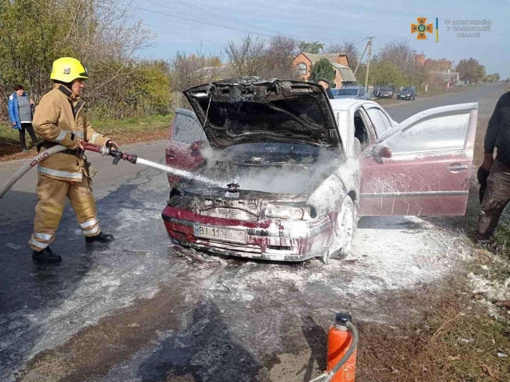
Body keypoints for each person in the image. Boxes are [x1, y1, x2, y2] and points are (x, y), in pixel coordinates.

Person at [30, 57, 118, 263]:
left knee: (85, 200)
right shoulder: (52, 99)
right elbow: (41, 125)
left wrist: (106, 141)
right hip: (55, 167)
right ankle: (40, 248)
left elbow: (86, 132)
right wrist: (70, 140)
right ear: (68, 79)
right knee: (50, 208)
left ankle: (92, 234)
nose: (83, 84)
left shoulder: (75, 104)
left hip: (75, 166)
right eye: (80, 80)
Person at [476, 90, 510, 241]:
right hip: (503, 168)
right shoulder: (506, 99)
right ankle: (481, 240)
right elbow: (493, 127)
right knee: (490, 207)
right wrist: (488, 155)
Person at [8, 85, 39, 151]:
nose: (21, 91)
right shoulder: (13, 98)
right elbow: (11, 110)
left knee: (32, 132)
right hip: (20, 119)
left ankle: (38, 145)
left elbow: (29, 106)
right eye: (19, 90)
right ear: (16, 91)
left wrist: (32, 104)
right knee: (22, 133)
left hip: (28, 118)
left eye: (22, 90)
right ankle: (23, 147)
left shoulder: (26, 96)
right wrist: (13, 120)